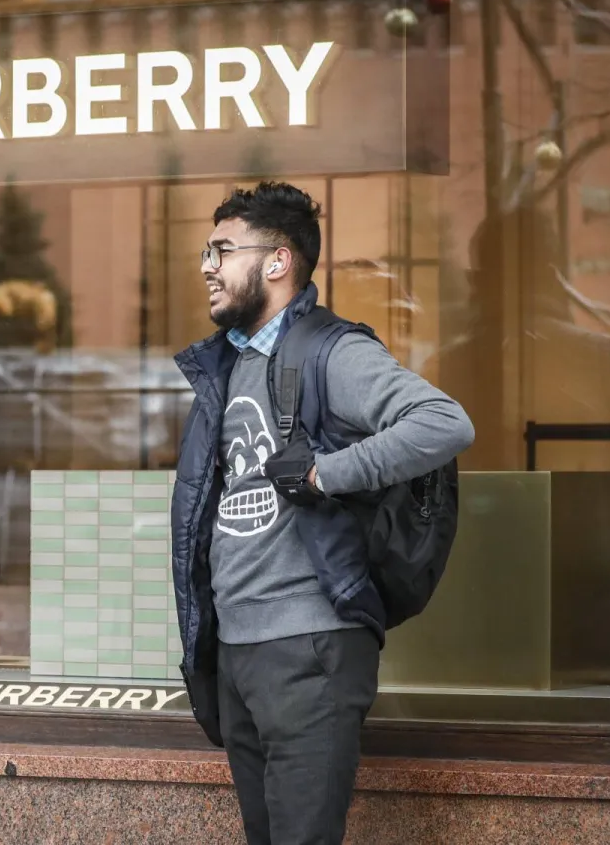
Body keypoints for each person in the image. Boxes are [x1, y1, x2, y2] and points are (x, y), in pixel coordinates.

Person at [170, 182, 474, 845]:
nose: (207, 266)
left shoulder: (331, 351)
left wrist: (326, 473)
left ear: (277, 261)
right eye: (206, 250)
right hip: (240, 650)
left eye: (222, 249)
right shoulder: (225, 367)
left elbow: (443, 422)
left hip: (309, 648)